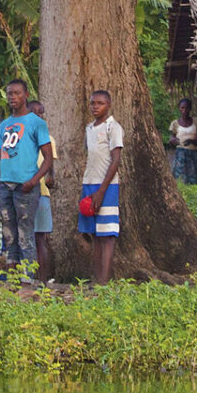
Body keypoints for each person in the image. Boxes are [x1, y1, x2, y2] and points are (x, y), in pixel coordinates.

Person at [0, 80, 55, 273]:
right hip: (5, 186)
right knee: (8, 234)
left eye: (17, 93)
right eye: (9, 94)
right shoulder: (4, 125)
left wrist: (33, 180)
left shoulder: (36, 123)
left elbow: (48, 158)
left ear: (25, 95)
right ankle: (13, 277)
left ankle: (29, 279)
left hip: (26, 187)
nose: (12, 97)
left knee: (25, 234)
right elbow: (0, 160)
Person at [80, 90, 125, 284]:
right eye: (92, 103)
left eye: (100, 103)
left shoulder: (113, 127)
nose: (95, 107)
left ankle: (104, 281)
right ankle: (96, 278)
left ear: (109, 105)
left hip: (107, 187)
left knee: (107, 234)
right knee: (95, 234)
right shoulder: (89, 128)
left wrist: (101, 191)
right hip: (89, 183)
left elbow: (115, 161)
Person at [27, 99, 56, 281]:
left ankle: (43, 280)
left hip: (42, 194)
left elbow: (50, 161)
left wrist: (51, 176)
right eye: (35, 113)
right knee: (24, 238)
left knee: (40, 239)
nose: (39, 116)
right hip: (23, 194)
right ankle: (25, 277)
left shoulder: (48, 138)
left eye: (41, 113)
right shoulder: (21, 137)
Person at [167, 98, 197, 185]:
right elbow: (171, 139)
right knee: (180, 178)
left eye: (187, 108)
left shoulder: (196, 122)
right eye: (182, 108)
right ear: (179, 108)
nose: (184, 110)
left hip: (194, 154)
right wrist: (172, 141)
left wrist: (192, 141)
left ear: (190, 109)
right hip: (180, 154)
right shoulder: (175, 123)